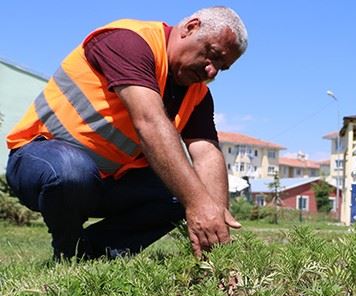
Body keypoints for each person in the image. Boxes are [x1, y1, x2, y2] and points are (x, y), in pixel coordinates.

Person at [4, 6, 248, 260]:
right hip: (39, 162)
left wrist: (215, 221)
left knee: (183, 192)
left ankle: (92, 253)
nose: (212, 72)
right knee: (72, 170)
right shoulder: (130, 41)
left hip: (106, 182)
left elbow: (207, 153)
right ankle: (68, 252)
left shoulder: (198, 95)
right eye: (212, 55)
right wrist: (199, 204)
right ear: (191, 27)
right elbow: (149, 121)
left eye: (222, 67)